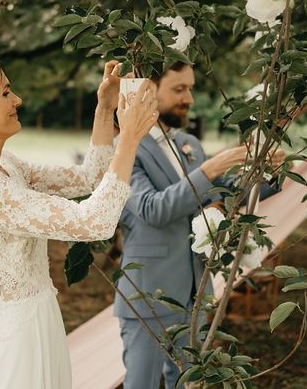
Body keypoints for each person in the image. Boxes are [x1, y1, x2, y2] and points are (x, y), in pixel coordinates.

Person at [0, 42, 158, 389]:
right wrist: (129, 137)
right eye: (6, 93)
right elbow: (93, 223)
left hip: (42, 324)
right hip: (14, 344)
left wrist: (105, 109)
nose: (17, 100)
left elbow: (89, 178)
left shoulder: (5, 166)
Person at [113, 62, 284, 389]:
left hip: (196, 296)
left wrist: (269, 174)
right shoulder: (126, 149)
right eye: (179, 89)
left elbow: (217, 195)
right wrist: (211, 168)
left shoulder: (189, 143)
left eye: (190, 88)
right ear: (148, 92)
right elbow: (152, 209)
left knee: (191, 384)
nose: (189, 98)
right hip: (149, 296)